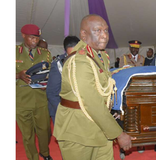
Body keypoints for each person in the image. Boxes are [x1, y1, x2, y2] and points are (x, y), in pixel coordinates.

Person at [53, 14, 134, 160]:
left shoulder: (99, 55)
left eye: (106, 30)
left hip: (100, 126)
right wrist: (119, 134)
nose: (104, 36)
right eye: (98, 31)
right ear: (83, 35)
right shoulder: (80, 61)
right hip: (78, 130)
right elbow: (92, 103)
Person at [16, 24, 53, 160]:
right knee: (27, 134)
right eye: (31, 38)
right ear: (23, 35)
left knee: (45, 131)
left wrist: (46, 83)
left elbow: (50, 74)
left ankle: (45, 153)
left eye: (37, 38)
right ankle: (33, 157)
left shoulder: (45, 54)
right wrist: (18, 75)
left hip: (41, 99)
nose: (35, 41)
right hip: (21, 100)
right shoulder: (13, 52)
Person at [46, 36, 80, 124]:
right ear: (65, 51)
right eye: (70, 54)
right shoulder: (58, 64)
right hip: (62, 109)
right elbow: (52, 94)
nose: (73, 57)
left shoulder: (86, 60)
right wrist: (64, 114)